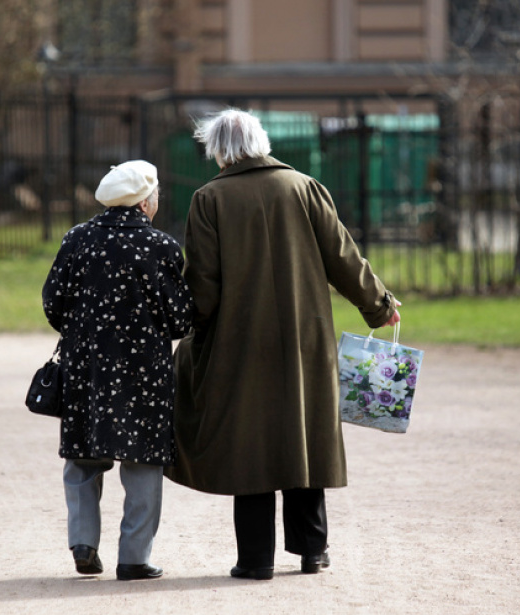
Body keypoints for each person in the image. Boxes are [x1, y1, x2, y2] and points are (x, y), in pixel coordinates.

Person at [166, 110, 401, 580]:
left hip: (238, 341)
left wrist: (191, 331)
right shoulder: (304, 187)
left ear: (219, 150)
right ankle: (313, 550)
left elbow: (203, 285)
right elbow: (344, 258)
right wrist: (379, 306)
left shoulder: (209, 199)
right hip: (304, 339)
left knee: (249, 443)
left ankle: (256, 559)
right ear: (262, 141)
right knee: (303, 434)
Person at [42, 160, 193, 581]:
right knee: (143, 461)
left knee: (83, 457)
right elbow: (181, 318)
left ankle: (83, 543)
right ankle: (134, 558)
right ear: (145, 202)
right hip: (144, 372)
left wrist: (83, 330)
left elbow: (53, 302)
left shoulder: (77, 239)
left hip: (86, 366)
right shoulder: (161, 246)